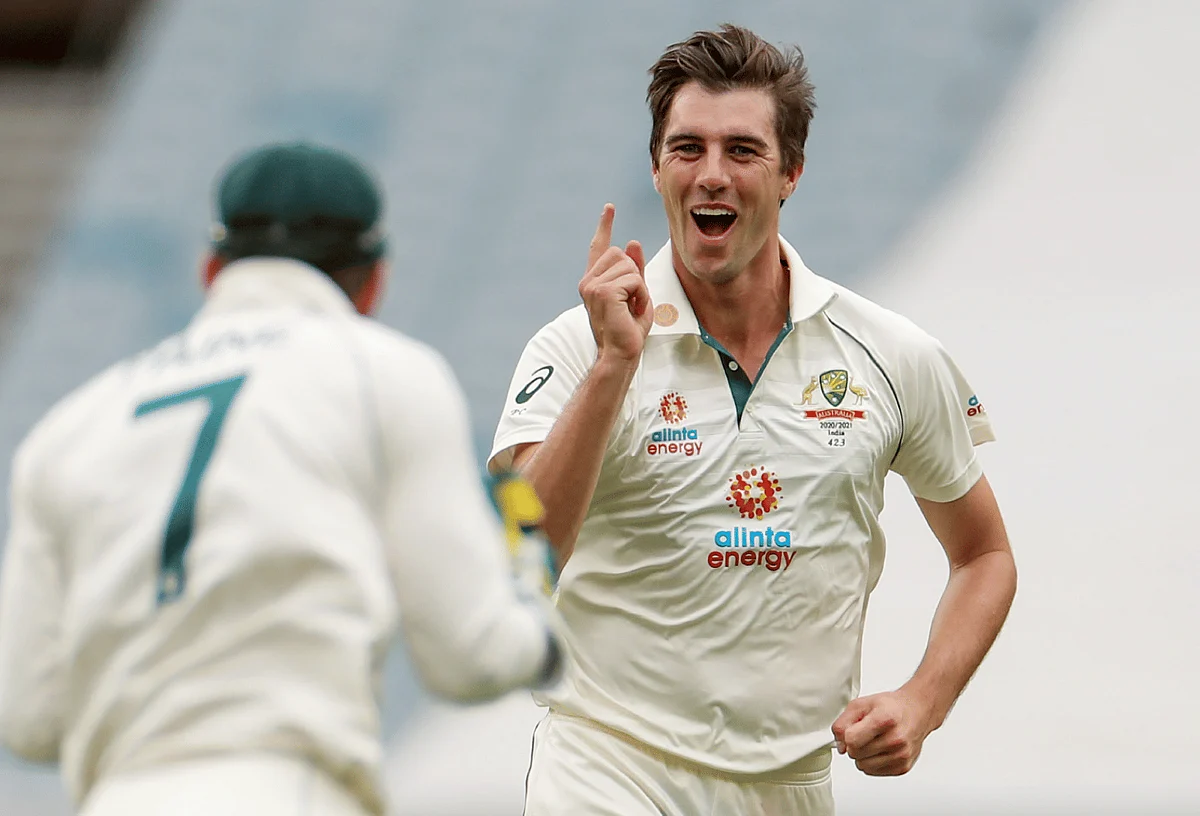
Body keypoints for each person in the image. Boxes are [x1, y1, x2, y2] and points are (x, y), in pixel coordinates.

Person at [490, 24, 1017, 816]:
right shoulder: (576, 347)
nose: (712, 174)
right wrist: (613, 367)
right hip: (609, 770)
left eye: (742, 150)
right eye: (687, 148)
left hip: (787, 786)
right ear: (656, 168)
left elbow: (984, 555)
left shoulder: (890, 353)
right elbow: (522, 556)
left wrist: (923, 702)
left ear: (791, 172)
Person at [0, 142, 562, 816]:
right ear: (373, 282)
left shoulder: (66, 431)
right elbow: (471, 660)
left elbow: (29, 721)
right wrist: (531, 578)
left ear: (212, 270)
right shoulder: (385, 374)